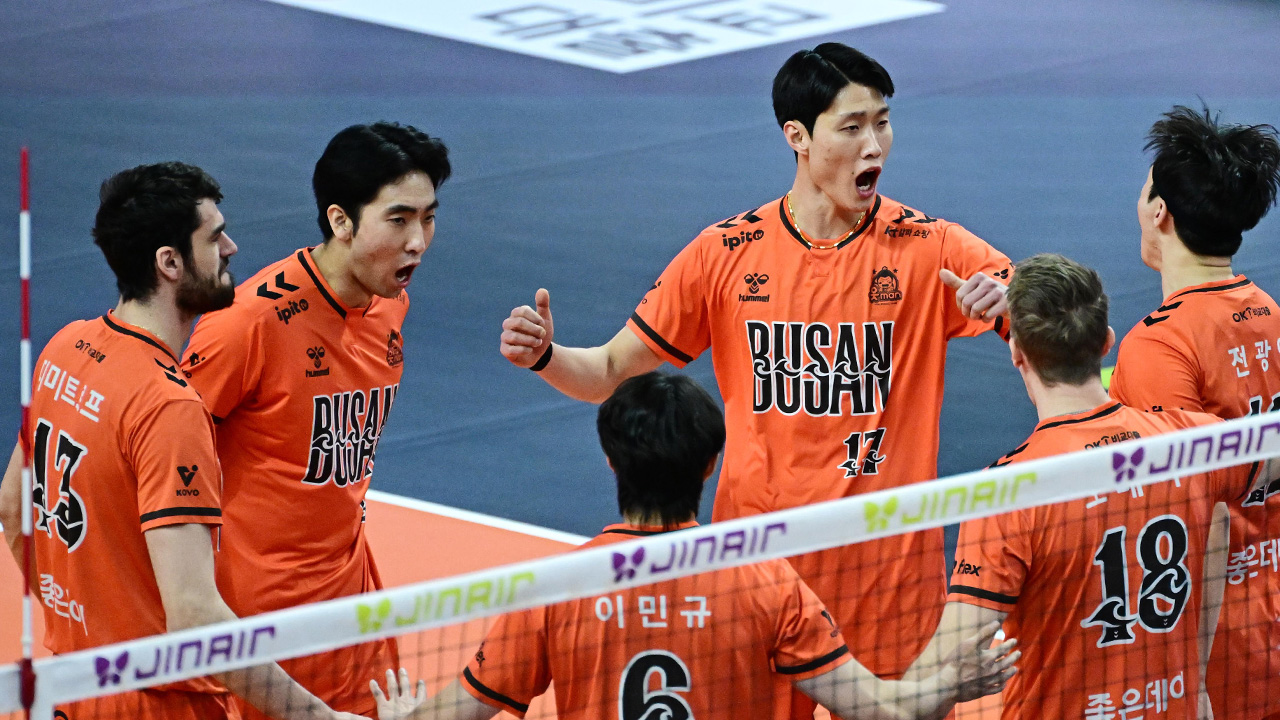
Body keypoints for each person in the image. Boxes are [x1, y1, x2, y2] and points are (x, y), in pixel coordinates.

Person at [497, 42, 1014, 690]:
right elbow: (608, 370)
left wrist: (1012, 303)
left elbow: (1057, 320)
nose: (874, 145)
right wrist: (546, 356)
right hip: (761, 579)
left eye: (882, 123)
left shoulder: (928, 246)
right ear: (797, 136)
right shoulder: (726, 253)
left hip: (889, 584)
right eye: (851, 127)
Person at [370, 371, 1020, 720]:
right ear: (711, 466)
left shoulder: (555, 590)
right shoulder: (769, 584)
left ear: (610, 461)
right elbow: (880, 711)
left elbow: (456, 713)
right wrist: (951, 683)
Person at [0, 162, 365, 719]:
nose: (232, 249)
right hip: (160, 704)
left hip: (70, 684)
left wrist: (81, 622)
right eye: (214, 238)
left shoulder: (65, 347)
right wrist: (322, 718)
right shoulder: (169, 406)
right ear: (169, 263)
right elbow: (194, 616)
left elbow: (11, 508)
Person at [908, 253, 1267, 719]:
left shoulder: (1009, 491)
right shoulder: (1191, 442)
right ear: (1107, 343)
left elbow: (948, 660)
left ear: (1017, 355)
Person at [180, 122, 450, 718]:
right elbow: (163, 459)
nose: (418, 242)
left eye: (429, 218)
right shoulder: (247, 325)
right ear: (340, 220)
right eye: (399, 220)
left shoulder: (390, 304)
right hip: (257, 629)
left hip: (352, 607)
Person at [1108, 105, 1280, 719]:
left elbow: (1197, 517)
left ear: (1159, 212)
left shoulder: (1158, 345)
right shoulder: (1270, 312)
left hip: (1216, 650)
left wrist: (1191, 674)